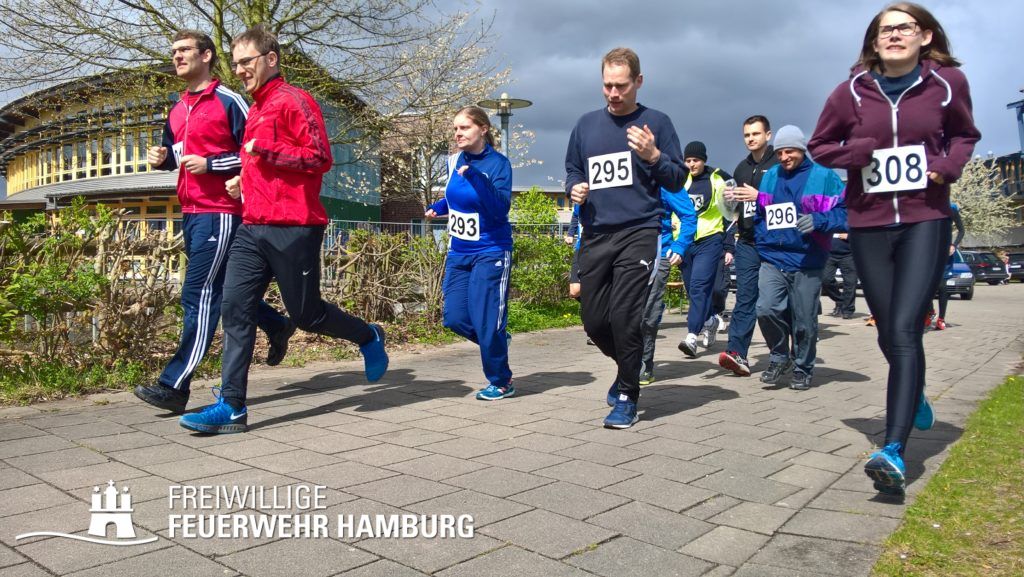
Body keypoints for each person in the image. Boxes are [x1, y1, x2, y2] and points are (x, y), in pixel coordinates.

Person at [179, 25, 389, 434]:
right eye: (235, 63)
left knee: (308, 316)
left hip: (294, 228)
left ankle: (367, 335)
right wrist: (245, 179)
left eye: (246, 62)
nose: (239, 70)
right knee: (234, 308)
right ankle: (232, 406)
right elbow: (261, 164)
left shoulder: (295, 100)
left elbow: (318, 157)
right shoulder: (254, 108)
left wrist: (265, 152)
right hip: (252, 227)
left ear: (271, 59)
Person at [809, 2, 980, 496]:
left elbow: (966, 135)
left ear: (924, 35)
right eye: (885, 30)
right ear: (874, 40)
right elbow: (822, 145)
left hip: (926, 218)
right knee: (889, 329)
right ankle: (915, 393)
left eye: (904, 27)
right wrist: (857, 152)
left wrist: (946, 167)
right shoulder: (851, 92)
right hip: (869, 222)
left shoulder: (947, 84)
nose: (894, 35)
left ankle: (893, 448)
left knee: (905, 328)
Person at [134, 30, 294, 415]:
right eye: (173, 51)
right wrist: (164, 158)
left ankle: (175, 385)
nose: (177, 57)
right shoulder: (176, 109)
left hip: (221, 211)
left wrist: (211, 165)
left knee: (198, 296)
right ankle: (275, 324)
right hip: (190, 210)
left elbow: (252, 154)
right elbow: (178, 153)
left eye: (185, 50)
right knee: (223, 293)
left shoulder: (229, 101)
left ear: (206, 56)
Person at [565, 47, 687, 429]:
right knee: (595, 322)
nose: (613, 93)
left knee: (624, 318)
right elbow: (572, 168)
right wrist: (575, 188)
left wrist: (653, 156)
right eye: (607, 86)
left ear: (638, 82)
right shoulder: (585, 125)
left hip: (639, 231)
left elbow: (678, 178)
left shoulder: (657, 123)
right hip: (597, 233)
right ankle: (626, 369)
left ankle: (627, 396)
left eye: (621, 86)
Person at [737, 125, 846, 391]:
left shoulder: (825, 177)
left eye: (790, 151)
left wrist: (819, 220)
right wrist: (763, 241)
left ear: (802, 148)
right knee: (766, 308)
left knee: (804, 320)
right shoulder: (772, 175)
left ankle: (803, 367)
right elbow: (762, 211)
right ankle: (779, 356)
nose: (785, 157)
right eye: (781, 152)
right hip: (773, 256)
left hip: (808, 260)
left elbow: (846, 214)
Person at [425, 106, 514, 401]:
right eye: (455, 129)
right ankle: (496, 342)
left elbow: (499, 210)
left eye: (464, 128)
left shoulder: (498, 164)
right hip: (459, 252)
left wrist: (477, 177)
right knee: (453, 318)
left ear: (483, 129)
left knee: (487, 322)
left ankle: (501, 381)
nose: (457, 134)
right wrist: (439, 207)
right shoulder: (453, 161)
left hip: (491, 251)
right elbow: (455, 197)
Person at [720, 115, 779, 376]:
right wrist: (728, 200)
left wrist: (761, 197)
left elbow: (791, 199)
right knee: (744, 298)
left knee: (772, 303)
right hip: (746, 242)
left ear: (768, 135)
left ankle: (782, 353)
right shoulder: (741, 169)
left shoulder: (779, 164)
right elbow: (734, 210)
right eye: (747, 135)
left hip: (776, 243)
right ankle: (737, 353)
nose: (751, 139)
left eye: (756, 134)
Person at [675, 141, 733, 358]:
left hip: (709, 240)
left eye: (696, 160)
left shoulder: (717, 178)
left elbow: (730, 213)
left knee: (699, 287)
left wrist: (727, 245)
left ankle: (691, 336)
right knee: (692, 290)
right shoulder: (680, 180)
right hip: (685, 241)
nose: (691, 164)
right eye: (688, 160)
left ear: (704, 160)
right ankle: (710, 320)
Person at [639, 187, 697, 384]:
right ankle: (628, 359)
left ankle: (644, 363)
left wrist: (680, 246)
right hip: (624, 253)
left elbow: (689, 215)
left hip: (659, 252)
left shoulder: (666, 181)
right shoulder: (625, 173)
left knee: (649, 310)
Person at [930, 202, 965, 329]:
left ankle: (941, 318)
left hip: (945, 252)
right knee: (926, 284)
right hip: (929, 251)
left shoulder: (951, 209)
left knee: (942, 285)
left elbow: (961, 230)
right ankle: (930, 311)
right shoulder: (926, 207)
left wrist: (954, 245)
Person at [823, 232, 857, 318]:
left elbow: (862, 234)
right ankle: (840, 300)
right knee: (825, 280)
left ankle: (847, 309)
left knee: (850, 283)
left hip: (848, 255)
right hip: (829, 254)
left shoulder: (850, 219)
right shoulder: (830, 218)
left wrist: (850, 236)